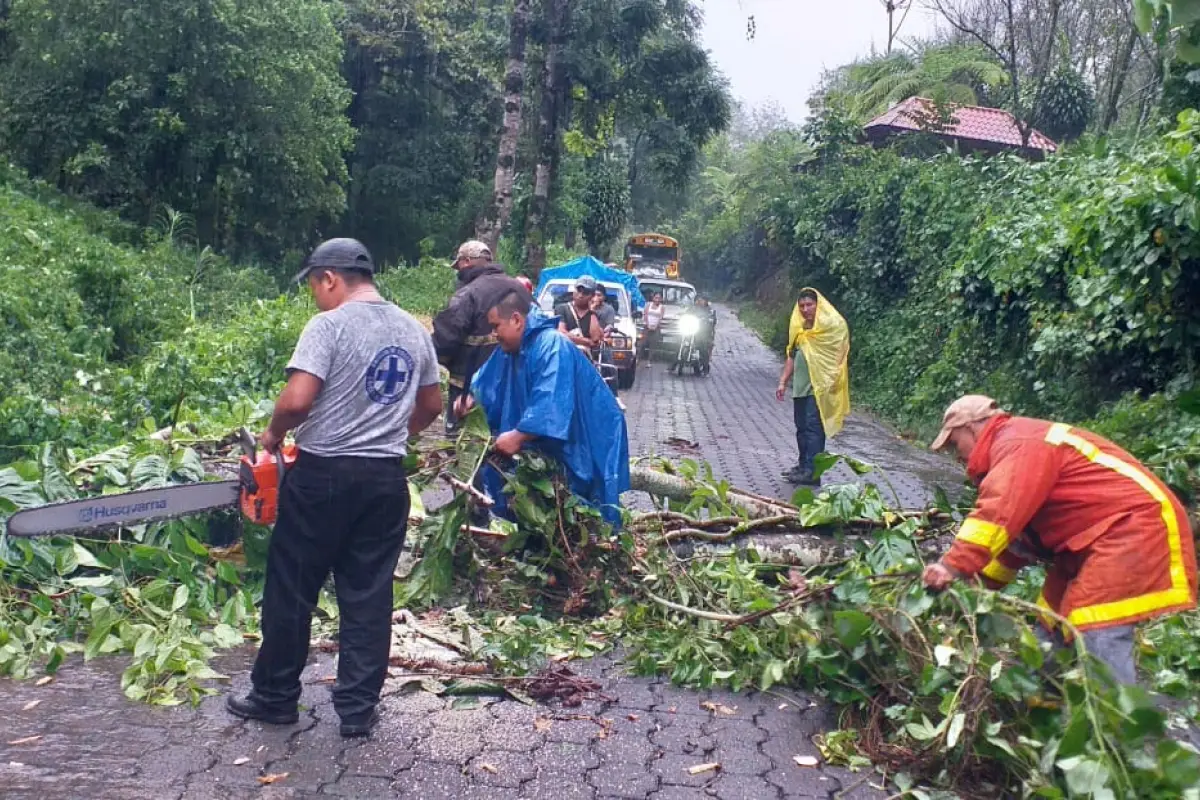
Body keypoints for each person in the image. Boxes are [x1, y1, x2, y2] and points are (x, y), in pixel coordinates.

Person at [226, 238, 442, 738]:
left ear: (330, 278)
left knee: (292, 589)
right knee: (367, 594)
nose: (314, 297)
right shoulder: (413, 328)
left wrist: (274, 434)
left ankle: (276, 696)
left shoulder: (328, 325)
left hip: (323, 475)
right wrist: (391, 437)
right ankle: (357, 711)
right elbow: (431, 405)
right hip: (385, 480)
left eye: (313, 286)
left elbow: (299, 399)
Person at [923, 395, 1197, 686]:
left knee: (1094, 622)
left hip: (1131, 530)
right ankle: (1037, 706)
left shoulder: (1019, 443)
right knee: (1050, 622)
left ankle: (1114, 721)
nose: (957, 455)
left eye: (955, 443)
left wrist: (951, 567)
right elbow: (1014, 544)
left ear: (973, 427)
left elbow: (996, 513)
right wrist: (974, 587)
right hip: (1086, 546)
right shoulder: (1013, 449)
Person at [460, 291, 630, 527]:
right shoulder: (510, 347)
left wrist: (519, 435)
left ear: (517, 320)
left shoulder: (551, 345)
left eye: (496, 326)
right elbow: (488, 380)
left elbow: (551, 402)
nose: (493, 334)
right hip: (552, 438)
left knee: (581, 506)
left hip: (587, 434)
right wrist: (470, 398)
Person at [432, 240, 527, 435]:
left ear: (466, 261)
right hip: (514, 380)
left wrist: (437, 356)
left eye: (458, 265)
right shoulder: (518, 289)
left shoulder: (468, 294)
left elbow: (445, 339)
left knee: (463, 442)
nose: (457, 270)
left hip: (468, 387)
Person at [775, 288, 850, 486]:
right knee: (801, 428)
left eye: (810, 305)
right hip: (800, 389)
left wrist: (831, 381)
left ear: (818, 305)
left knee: (813, 429)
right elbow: (791, 357)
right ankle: (802, 466)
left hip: (819, 390)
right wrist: (783, 381)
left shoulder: (830, 329)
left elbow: (840, 356)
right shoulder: (800, 331)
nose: (806, 309)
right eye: (802, 306)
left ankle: (812, 472)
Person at [555, 275, 604, 349]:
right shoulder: (562, 309)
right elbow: (561, 332)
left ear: (592, 296)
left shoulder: (593, 315)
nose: (581, 295)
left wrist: (591, 311)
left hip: (584, 358)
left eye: (586, 293)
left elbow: (595, 340)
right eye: (579, 290)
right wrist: (586, 341)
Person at [693, 295, 717, 374]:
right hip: (693, 331)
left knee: (704, 350)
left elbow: (713, 320)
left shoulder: (710, 310)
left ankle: (706, 368)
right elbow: (687, 313)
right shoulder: (694, 308)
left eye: (703, 300)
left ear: (706, 301)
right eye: (700, 300)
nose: (701, 301)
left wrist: (708, 320)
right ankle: (674, 364)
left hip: (705, 333)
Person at [642, 292, 665, 362]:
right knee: (642, 343)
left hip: (656, 328)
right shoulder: (648, 305)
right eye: (656, 298)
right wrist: (648, 325)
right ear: (653, 298)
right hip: (646, 327)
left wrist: (655, 326)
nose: (657, 300)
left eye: (659, 298)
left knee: (653, 345)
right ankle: (638, 359)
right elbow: (645, 315)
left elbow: (660, 318)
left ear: (661, 299)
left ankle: (649, 361)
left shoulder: (662, 307)